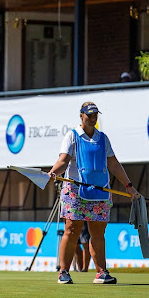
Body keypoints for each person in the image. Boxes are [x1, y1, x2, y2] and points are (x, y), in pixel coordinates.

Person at [47, 101, 139, 285]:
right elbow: (63, 161)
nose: (93, 118)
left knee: (98, 233)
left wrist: (129, 186)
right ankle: (63, 272)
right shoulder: (72, 136)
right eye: (89, 114)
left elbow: (113, 163)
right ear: (81, 115)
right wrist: (53, 172)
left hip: (100, 191)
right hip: (75, 191)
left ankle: (101, 272)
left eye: (95, 114)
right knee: (72, 230)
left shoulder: (103, 138)